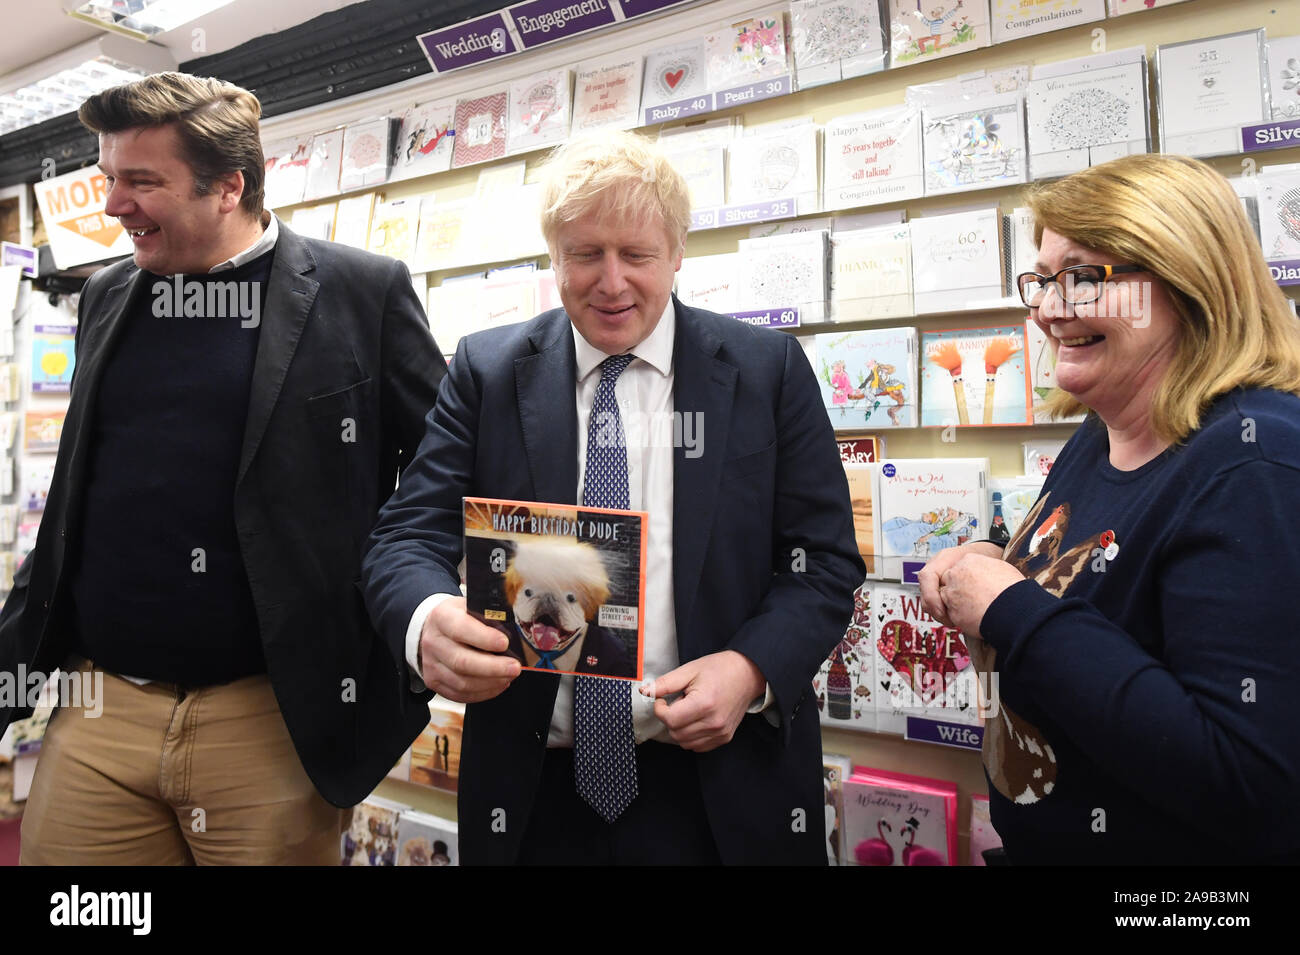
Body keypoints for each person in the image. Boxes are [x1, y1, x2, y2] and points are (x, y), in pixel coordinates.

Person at [362, 130, 864, 865]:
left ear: (678, 252)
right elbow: (404, 538)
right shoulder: (488, 371)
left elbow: (822, 561)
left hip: (720, 784)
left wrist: (750, 669)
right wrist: (426, 619)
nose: (611, 282)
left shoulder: (766, 372)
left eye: (636, 255)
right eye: (585, 254)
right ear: (554, 255)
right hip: (536, 790)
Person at [0, 72, 444, 864]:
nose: (113, 205)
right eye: (110, 178)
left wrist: (417, 610)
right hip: (100, 711)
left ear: (229, 186)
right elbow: (76, 499)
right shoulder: (108, 297)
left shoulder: (361, 293)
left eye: (141, 182)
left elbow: (447, 472)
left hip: (270, 724)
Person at [918, 153, 1300, 864]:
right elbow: (1104, 598)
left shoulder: (1255, 464)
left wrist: (1013, 609)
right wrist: (1000, 569)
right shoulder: (1103, 433)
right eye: (1043, 280)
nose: (1047, 308)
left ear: (1186, 282)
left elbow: (1247, 784)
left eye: (1084, 278)